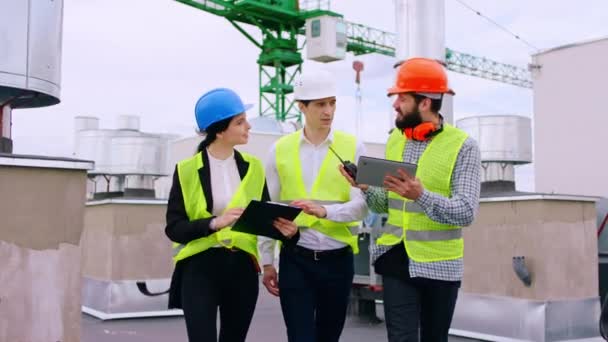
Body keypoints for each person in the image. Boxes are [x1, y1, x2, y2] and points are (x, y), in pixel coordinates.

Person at [340, 57, 482, 342]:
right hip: (395, 258)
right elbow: (386, 205)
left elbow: (467, 211)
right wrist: (366, 187)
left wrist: (422, 196)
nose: (395, 104)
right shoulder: (395, 140)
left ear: (425, 102)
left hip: (440, 266)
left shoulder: (463, 146)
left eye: (402, 98)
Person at [164, 88, 298, 342]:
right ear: (219, 130)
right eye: (240, 121)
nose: (248, 126)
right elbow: (174, 228)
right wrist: (215, 223)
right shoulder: (186, 170)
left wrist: (289, 231)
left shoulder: (253, 167)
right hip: (199, 268)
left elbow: (264, 220)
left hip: (241, 268)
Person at [259, 69, 369, 342]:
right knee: (300, 337)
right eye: (320, 104)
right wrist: (267, 262)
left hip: (339, 261)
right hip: (296, 260)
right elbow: (267, 209)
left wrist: (325, 211)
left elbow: (364, 206)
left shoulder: (354, 147)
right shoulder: (278, 150)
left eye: (332, 102)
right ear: (301, 107)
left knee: (328, 337)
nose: (328, 111)